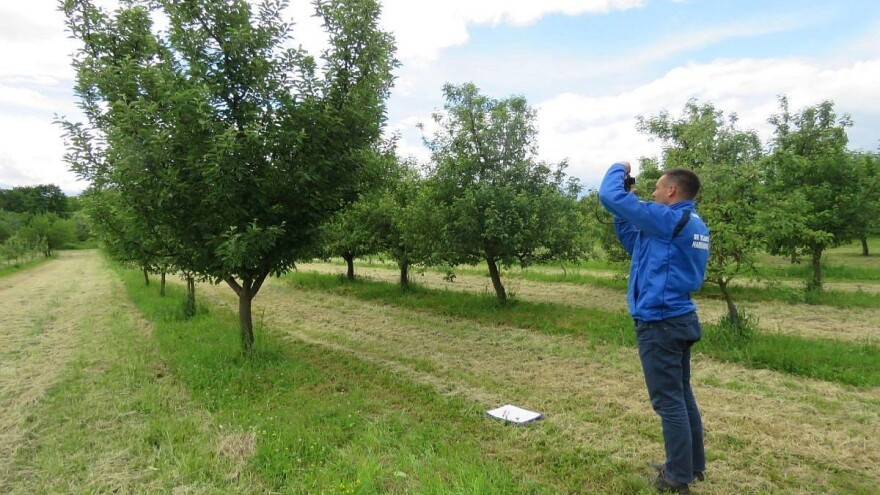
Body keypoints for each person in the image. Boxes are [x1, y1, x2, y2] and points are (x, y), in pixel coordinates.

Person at [598, 161, 710, 494]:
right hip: (681, 318)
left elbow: (608, 193)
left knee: (669, 402)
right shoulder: (691, 223)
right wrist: (626, 214)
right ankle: (692, 465)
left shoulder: (670, 218)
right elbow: (638, 246)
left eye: (658, 187)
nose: (653, 192)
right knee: (682, 396)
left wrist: (619, 168)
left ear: (672, 191)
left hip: (660, 322)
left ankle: (676, 478)